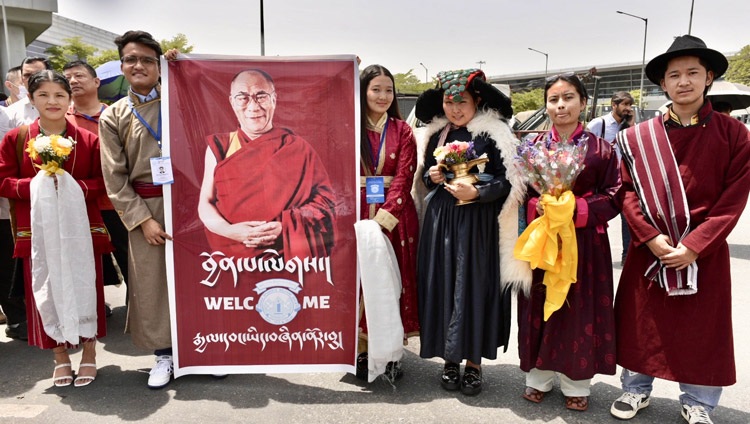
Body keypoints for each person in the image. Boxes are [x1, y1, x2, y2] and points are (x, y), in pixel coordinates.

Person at [611, 35, 750, 424]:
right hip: (651, 247)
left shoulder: (734, 135)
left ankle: (699, 401)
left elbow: (734, 199)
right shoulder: (639, 138)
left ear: (709, 78)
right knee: (645, 321)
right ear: (663, 83)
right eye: (674, 75)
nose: (683, 81)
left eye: (692, 73)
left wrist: (695, 245)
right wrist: (651, 237)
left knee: (703, 327)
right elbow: (625, 192)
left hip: (704, 250)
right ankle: (635, 389)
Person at [414, 68, 530, 396]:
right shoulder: (436, 135)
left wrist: (477, 191)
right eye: (449, 102)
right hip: (441, 223)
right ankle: (450, 359)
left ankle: (474, 363)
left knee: (474, 288)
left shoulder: (494, 135)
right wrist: (432, 177)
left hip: (478, 224)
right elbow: (423, 179)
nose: (455, 109)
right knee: (445, 284)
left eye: (461, 101)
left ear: (476, 100)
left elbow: (508, 181)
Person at [517, 74, 621, 412]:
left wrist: (575, 209)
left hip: (584, 241)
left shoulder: (602, 149)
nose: (561, 105)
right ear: (546, 104)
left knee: (579, 310)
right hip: (543, 238)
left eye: (569, 98)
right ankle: (538, 377)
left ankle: (576, 380)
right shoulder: (532, 148)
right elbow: (519, 195)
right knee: (540, 306)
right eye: (554, 99)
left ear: (583, 102)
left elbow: (616, 196)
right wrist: (541, 207)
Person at [0, 70, 110, 387]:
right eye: (44, 95)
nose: (52, 101)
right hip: (36, 232)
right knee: (44, 289)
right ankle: (59, 355)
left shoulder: (88, 140)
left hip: (83, 230)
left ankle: (89, 353)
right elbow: (3, 181)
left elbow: (103, 182)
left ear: (69, 99)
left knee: (88, 286)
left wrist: (70, 186)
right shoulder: (16, 138)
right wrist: (35, 186)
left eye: (60, 95)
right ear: (31, 99)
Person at [98, 30, 175, 389]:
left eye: (148, 59)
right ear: (123, 66)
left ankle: (202, 350)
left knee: (200, 278)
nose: (139, 65)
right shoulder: (113, 115)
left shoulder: (180, 98)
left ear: (159, 65)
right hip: (146, 207)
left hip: (190, 203)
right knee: (151, 284)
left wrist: (186, 71)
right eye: (132, 59)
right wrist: (142, 221)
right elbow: (115, 178)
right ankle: (163, 354)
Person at [197, 69, 336, 260]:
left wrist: (285, 227)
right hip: (234, 256)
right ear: (232, 102)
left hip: (287, 256)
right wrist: (230, 231)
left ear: (274, 99)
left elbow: (326, 204)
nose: (253, 107)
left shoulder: (298, 147)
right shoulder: (221, 146)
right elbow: (205, 202)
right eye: (242, 97)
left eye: (261, 96)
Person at [355, 65, 419, 381]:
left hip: (393, 217)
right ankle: (361, 351)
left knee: (390, 283)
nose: (383, 96)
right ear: (362, 90)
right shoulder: (349, 127)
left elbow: (405, 175)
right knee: (359, 284)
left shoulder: (403, 131)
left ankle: (392, 353)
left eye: (388, 90)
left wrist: (385, 218)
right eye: (375, 89)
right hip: (356, 211)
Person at [63, 61, 129, 298]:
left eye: (79, 75)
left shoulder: (117, 115)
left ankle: (142, 309)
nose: (73, 81)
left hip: (117, 201)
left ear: (96, 82)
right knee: (83, 258)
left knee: (128, 255)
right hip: (80, 203)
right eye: (68, 77)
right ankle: (93, 310)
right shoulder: (60, 120)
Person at [586, 91, 634, 264]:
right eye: (625, 105)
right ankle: (594, 255)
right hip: (602, 179)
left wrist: (631, 125)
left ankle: (626, 255)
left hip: (623, 178)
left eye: (630, 105)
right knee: (598, 216)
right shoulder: (600, 123)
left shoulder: (628, 125)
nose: (628, 108)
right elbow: (583, 144)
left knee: (628, 216)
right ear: (614, 105)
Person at [0, 57, 52, 139]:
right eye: (27, 75)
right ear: (22, 78)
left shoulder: (68, 107)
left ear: (50, 76)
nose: (33, 79)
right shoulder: (11, 113)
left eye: (39, 74)